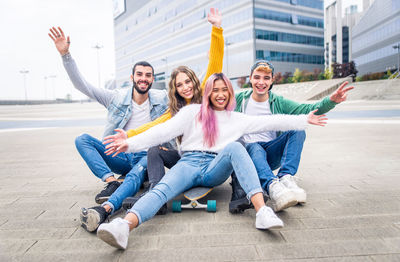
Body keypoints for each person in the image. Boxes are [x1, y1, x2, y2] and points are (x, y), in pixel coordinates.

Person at [97, 73, 327, 250]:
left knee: (236, 147)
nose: (219, 94)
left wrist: (303, 119)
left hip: (215, 167)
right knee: (160, 191)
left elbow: (272, 122)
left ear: (230, 93)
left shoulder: (237, 119)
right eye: (215, 90)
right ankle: (123, 227)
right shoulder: (192, 112)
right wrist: (130, 142)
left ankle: (262, 212)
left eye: (224, 90)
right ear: (208, 92)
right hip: (188, 163)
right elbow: (161, 131)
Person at [103, 8, 224, 213]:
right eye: (179, 85)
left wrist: (216, 29)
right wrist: (129, 135)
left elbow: (214, 64)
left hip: (209, 159)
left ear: (194, 82)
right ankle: (154, 194)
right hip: (185, 159)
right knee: (154, 150)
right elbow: (152, 126)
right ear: (175, 89)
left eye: (187, 82)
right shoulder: (175, 111)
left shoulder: (204, 96)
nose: (185, 87)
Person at [48, 27, 169, 231]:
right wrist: (65, 55)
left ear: (152, 79)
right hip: (120, 155)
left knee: (135, 175)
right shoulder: (115, 97)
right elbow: (82, 86)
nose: (144, 78)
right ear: (132, 78)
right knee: (82, 139)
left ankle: (109, 206)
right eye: (139, 74)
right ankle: (112, 181)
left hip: (146, 157)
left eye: (148, 75)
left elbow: (189, 92)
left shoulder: (162, 98)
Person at [229, 60, 354, 213]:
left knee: (298, 128)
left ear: (272, 80)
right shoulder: (239, 100)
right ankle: (272, 186)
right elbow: (215, 105)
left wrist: (331, 101)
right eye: (257, 77)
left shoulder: (278, 102)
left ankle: (285, 178)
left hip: (270, 154)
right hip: (249, 155)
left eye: (266, 78)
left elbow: (307, 109)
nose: (261, 82)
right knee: (254, 146)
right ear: (250, 78)